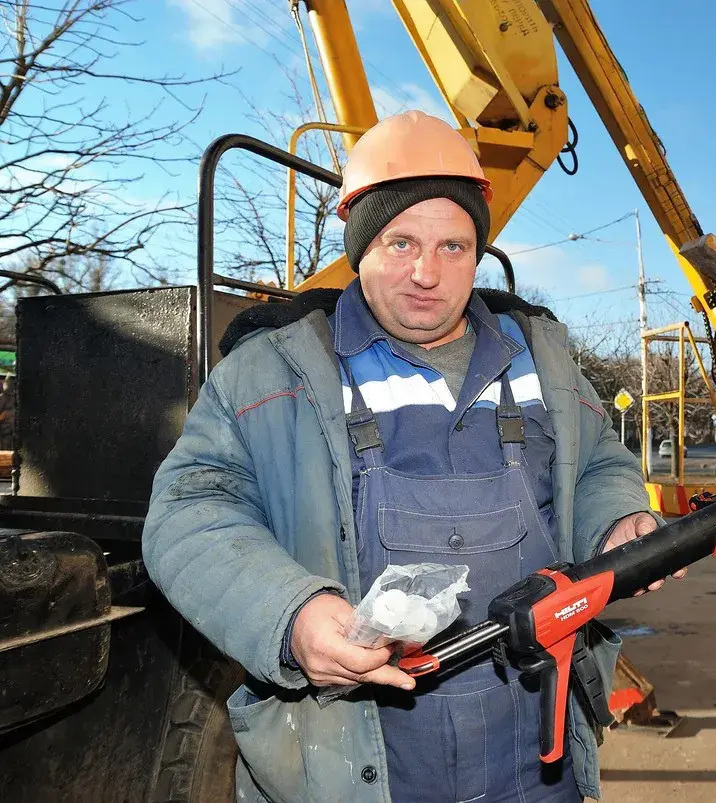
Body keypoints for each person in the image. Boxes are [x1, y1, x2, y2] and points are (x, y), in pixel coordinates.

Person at [141, 111, 684, 803]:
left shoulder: (540, 362)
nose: (428, 272)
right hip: (348, 768)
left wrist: (616, 526)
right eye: (401, 242)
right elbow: (188, 512)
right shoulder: (269, 374)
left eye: (454, 246)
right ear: (360, 243)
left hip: (536, 766)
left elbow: (598, 465)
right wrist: (292, 612)